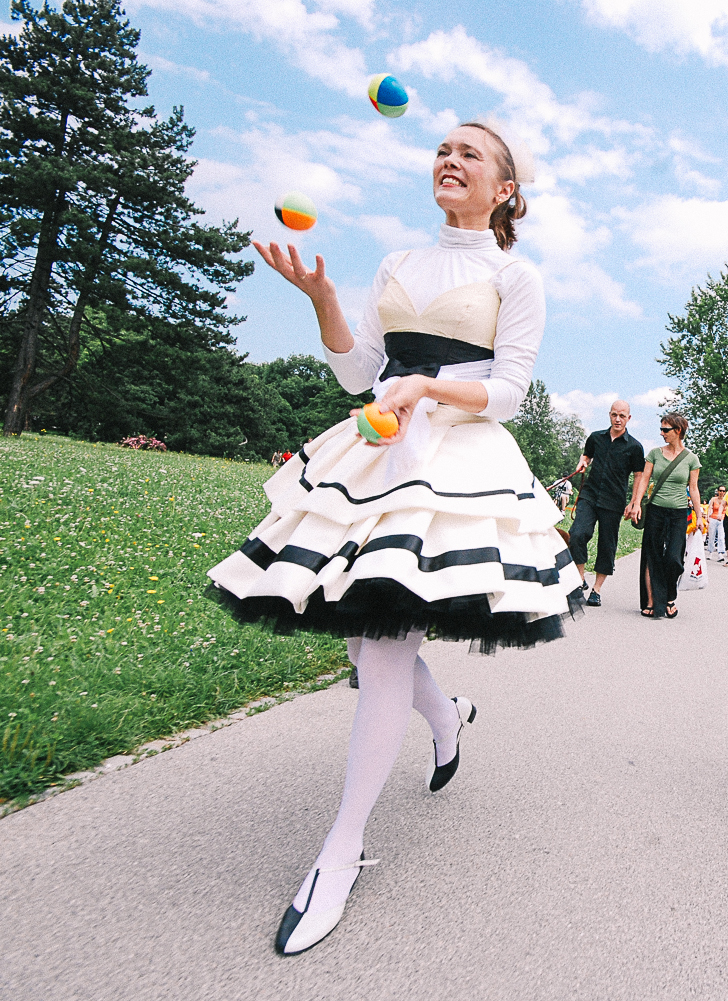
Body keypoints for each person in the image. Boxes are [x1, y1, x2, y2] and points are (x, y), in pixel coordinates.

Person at [208, 120, 579, 956]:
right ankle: (446, 721)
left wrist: (423, 383)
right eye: (443, 149)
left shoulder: (514, 274)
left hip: (454, 458)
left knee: (380, 648)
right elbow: (353, 372)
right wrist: (325, 304)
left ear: (505, 189)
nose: (450, 159)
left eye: (470, 154)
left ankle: (339, 854)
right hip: (375, 447)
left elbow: (511, 390)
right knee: (360, 638)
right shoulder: (397, 263)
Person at [627, 411, 704, 618]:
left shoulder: (691, 459)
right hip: (656, 510)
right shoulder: (654, 453)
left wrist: (700, 516)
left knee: (673, 558)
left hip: (679, 513)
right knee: (652, 555)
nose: (661, 433)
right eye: (661, 429)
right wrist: (636, 503)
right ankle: (652, 601)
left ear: (678, 431)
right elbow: (644, 479)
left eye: (665, 429)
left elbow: (694, 489)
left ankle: (670, 596)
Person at [569, 401, 645, 607]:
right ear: (609, 416)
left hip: (614, 501)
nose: (617, 419)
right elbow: (586, 456)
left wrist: (635, 503)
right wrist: (582, 462)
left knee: (607, 544)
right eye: (614, 415)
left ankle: (596, 590)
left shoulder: (635, 447)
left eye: (622, 415)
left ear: (629, 418)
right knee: (577, 534)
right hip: (590, 495)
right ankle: (580, 579)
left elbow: (639, 476)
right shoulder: (595, 438)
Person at [706, 490, 725, 554]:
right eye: (720, 491)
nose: (721, 492)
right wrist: (708, 516)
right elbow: (710, 508)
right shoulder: (713, 499)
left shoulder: (726, 500)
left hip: (722, 519)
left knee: (721, 537)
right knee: (711, 536)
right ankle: (710, 551)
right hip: (713, 518)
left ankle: (721, 552)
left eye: (723, 491)